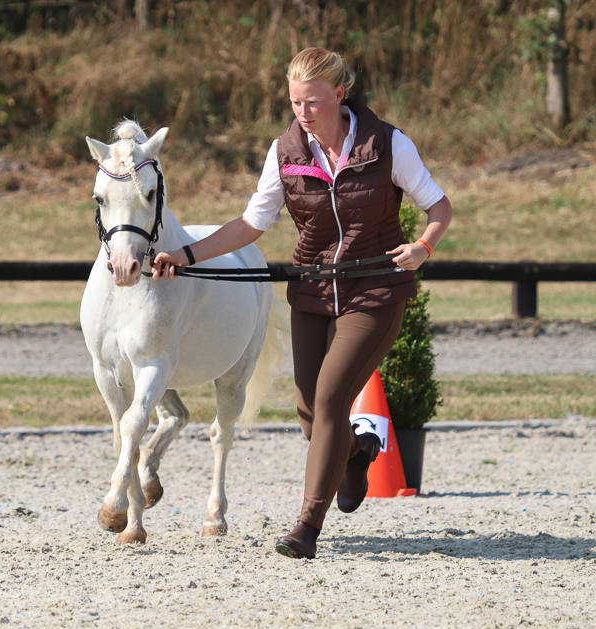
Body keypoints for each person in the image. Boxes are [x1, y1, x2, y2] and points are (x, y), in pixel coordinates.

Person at [152, 47, 453, 559]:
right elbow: (252, 224)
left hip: (375, 291)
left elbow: (439, 207)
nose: (303, 112)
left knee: (332, 399)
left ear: (340, 93)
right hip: (313, 293)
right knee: (312, 417)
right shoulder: (285, 151)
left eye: (312, 101)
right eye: (295, 102)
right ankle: (358, 450)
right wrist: (185, 255)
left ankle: (306, 527)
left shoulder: (387, 144)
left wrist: (424, 246)